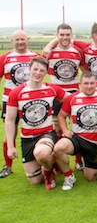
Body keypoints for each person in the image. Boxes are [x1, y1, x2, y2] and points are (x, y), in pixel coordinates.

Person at [5, 57, 68, 189]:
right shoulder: (16, 93)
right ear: (29, 70)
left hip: (46, 134)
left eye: (42, 70)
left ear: (46, 73)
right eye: (35, 69)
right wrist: (10, 146)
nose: (38, 73)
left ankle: (49, 171)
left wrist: (96, 90)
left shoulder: (51, 89)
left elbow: (73, 97)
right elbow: (10, 120)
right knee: (35, 181)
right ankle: (52, 163)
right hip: (27, 138)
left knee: (42, 153)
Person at [53, 71, 97, 190]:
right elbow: (61, 116)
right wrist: (65, 130)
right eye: (86, 83)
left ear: (96, 83)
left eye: (92, 83)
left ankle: (86, 165)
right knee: (58, 148)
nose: (89, 86)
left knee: (91, 177)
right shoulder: (73, 98)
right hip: (77, 138)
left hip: (94, 143)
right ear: (80, 84)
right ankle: (68, 176)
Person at [45, 23, 86, 171]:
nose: (65, 37)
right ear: (57, 36)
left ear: (71, 35)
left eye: (67, 34)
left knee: (78, 127)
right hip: (56, 95)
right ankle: (57, 162)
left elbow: (84, 70)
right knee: (58, 130)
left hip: (74, 93)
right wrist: (50, 45)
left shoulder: (77, 52)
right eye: (61, 35)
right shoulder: (50, 52)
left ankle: (78, 160)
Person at [0, 30, 40, 178]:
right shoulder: (5, 58)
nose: (20, 42)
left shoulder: (35, 56)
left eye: (22, 39)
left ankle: (42, 162)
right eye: (17, 39)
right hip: (10, 101)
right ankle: (7, 166)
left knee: (37, 131)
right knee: (9, 134)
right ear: (12, 41)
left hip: (31, 101)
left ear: (27, 39)